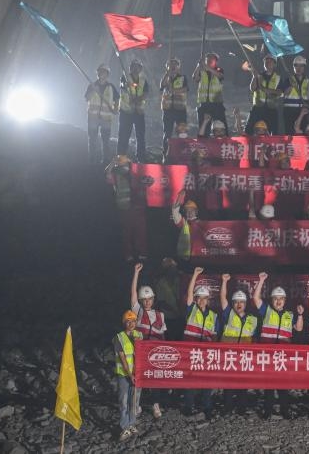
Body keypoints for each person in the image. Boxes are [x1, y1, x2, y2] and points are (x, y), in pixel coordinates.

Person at [253, 272, 299, 418]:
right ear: (272, 300)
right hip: (268, 355)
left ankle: (285, 411)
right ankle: (267, 412)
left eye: (281, 299)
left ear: (285, 300)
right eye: (275, 299)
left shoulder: (290, 315)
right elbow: (255, 298)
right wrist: (261, 281)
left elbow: (298, 328)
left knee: (283, 386)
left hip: (283, 356)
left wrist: (301, 315)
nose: (278, 301)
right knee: (269, 386)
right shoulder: (266, 310)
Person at [218, 274, 257, 414]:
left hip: (245, 356)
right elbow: (222, 298)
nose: (238, 304)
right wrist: (224, 282)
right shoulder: (228, 314)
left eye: (241, 302)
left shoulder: (253, 319)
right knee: (229, 383)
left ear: (245, 304)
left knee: (243, 383)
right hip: (229, 355)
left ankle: (242, 407)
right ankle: (227, 407)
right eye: (236, 302)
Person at [131, 263, 166, 418]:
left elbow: (163, 336)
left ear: (153, 299)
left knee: (155, 381)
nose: (147, 302)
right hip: (140, 352)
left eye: (149, 299)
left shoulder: (160, 315)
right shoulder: (137, 312)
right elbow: (132, 294)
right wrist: (136, 273)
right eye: (144, 300)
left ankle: (155, 405)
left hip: (155, 353)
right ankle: (136, 405)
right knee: (139, 379)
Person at [183, 267, 218, 416]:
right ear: (196, 299)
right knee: (191, 379)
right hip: (191, 351)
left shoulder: (213, 316)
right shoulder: (192, 310)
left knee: (207, 379)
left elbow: (215, 335)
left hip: (206, 352)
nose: (202, 301)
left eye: (205, 298)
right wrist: (195, 275)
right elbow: (189, 295)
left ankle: (206, 406)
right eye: (200, 298)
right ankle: (188, 406)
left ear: (208, 300)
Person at [106, 155, 147, 262]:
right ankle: (132, 254)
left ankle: (138, 253)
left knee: (136, 231)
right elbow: (107, 174)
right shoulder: (117, 174)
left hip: (135, 206)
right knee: (129, 232)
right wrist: (111, 163)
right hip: (127, 207)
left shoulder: (135, 172)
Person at [114, 310, 143, 441]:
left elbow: (142, 355)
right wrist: (130, 374)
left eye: (133, 321)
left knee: (134, 401)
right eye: (128, 321)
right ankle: (124, 427)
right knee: (124, 401)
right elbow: (123, 358)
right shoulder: (119, 337)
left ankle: (132, 424)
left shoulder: (139, 335)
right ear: (124, 323)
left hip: (137, 374)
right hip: (124, 375)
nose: (131, 324)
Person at [85, 64, 118, 164]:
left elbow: (117, 99)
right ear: (97, 73)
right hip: (93, 117)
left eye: (103, 71)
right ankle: (92, 160)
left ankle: (105, 160)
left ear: (107, 74)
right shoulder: (92, 85)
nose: (101, 73)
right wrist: (93, 91)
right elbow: (87, 98)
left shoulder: (111, 87)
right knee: (92, 139)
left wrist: (115, 109)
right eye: (100, 71)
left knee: (105, 141)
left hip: (106, 119)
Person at [116, 60, 149, 161]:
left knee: (140, 136)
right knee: (124, 135)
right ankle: (121, 158)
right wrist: (130, 87)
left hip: (139, 112)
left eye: (137, 67)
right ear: (130, 68)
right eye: (133, 66)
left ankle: (141, 158)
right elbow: (124, 87)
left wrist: (138, 99)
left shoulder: (143, 80)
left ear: (140, 68)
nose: (135, 68)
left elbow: (146, 92)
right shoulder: (125, 77)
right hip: (126, 111)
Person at [249, 54, 284, 135]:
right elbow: (252, 88)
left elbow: (280, 92)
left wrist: (267, 90)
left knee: (274, 131)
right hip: (258, 108)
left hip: (271, 108)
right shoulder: (258, 76)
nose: (268, 63)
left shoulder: (278, 77)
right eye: (266, 62)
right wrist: (254, 77)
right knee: (250, 129)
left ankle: (272, 146)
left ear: (274, 64)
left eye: (270, 62)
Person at [160, 58, 188, 154]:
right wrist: (167, 74)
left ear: (178, 67)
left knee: (182, 132)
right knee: (167, 133)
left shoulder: (183, 77)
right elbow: (162, 86)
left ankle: (183, 152)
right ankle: (166, 153)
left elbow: (185, 89)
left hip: (180, 110)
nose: (172, 67)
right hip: (168, 110)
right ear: (167, 67)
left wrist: (174, 91)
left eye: (175, 65)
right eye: (170, 65)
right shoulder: (165, 78)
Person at [194, 52, 226, 132]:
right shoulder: (202, 71)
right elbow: (195, 78)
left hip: (217, 104)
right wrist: (198, 66)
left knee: (221, 125)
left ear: (216, 61)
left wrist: (208, 68)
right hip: (204, 104)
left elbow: (220, 76)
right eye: (207, 59)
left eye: (211, 59)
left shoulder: (219, 70)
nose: (209, 60)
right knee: (204, 127)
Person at [284, 55, 309, 134]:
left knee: (304, 131)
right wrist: (291, 86)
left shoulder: (308, 80)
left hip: (303, 109)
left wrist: (308, 105)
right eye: (296, 66)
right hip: (289, 110)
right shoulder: (289, 79)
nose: (299, 68)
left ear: (304, 67)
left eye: (301, 66)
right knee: (290, 132)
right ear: (294, 67)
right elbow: (283, 94)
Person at [171, 189, 197, 261]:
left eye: (192, 210)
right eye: (187, 210)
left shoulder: (201, 223)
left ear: (196, 211)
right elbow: (175, 212)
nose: (189, 212)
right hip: (186, 258)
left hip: (200, 256)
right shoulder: (183, 222)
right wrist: (180, 198)